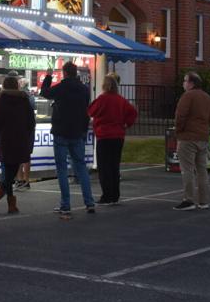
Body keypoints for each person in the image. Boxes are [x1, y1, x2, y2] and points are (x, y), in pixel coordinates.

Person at [40, 62, 96, 217]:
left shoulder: (61, 88)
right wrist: (83, 130)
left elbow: (44, 92)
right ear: (75, 72)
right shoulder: (84, 89)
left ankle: (66, 205)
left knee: (62, 169)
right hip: (77, 132)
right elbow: (86, 110)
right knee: (81, 167)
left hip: (61, 131)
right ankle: (89, 202)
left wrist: (48, 76)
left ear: (64, 73)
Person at [88, 74, 138, 204]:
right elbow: (133, 112)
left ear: (104, 86)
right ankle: (115, 195)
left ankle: (107, 195)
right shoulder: (121, 100)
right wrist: (126, 124)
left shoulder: (102, 99)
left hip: (104, 136)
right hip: (118, 136)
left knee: (104, 167)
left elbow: (91, 111)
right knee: (114, 166)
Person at [0, 74, 35, 214]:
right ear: (16, 86)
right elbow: (31, 122)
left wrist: (2, 132)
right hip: (20, 140)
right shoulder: (24, 101)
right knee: (10, 173)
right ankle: (2, 200)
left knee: (8, 171)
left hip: (5, 140)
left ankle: (8, 202)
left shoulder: (0, 102)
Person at [173, 71, 210, 210]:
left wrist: (178, 131)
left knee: (187, 170)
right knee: (202, 170)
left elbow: (180, 115)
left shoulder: (187, 96)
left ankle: (188, 200)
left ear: (191, 83)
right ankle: (204, 201)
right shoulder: (207, 97)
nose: (183, 83)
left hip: (188, 138)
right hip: (203, 137)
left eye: (185, 80)